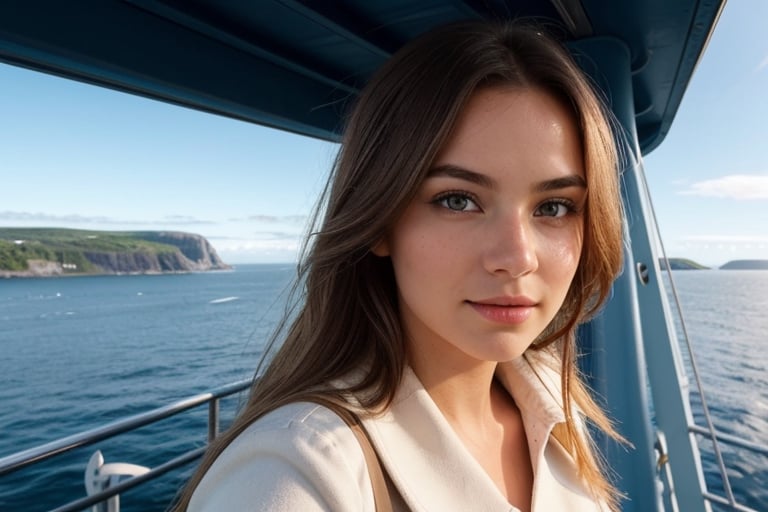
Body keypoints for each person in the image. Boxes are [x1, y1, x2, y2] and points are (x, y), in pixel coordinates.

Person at [173, 19, 624, 512]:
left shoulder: (554, 410)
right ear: (380, 221)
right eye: (458, 200)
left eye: (554, 207)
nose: (517, 258)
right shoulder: (292, 474)